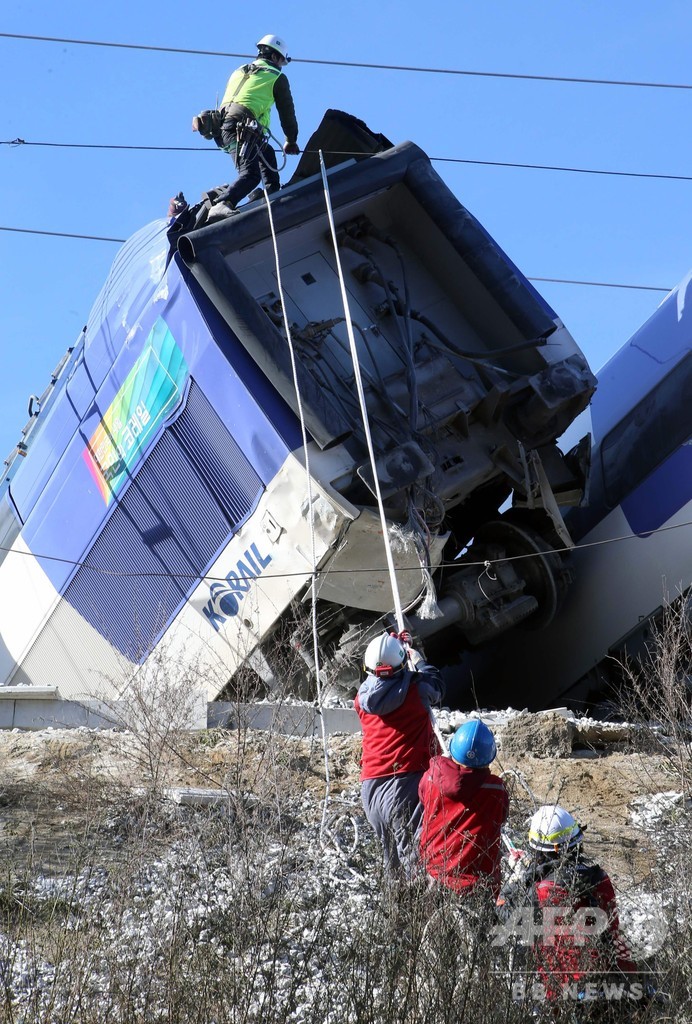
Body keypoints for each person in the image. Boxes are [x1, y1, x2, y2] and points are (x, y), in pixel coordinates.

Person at [502, 804, 639, 1003]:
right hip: (620, 982)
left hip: (569, 994)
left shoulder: (542, 892)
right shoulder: (601, 878)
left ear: (539, 851)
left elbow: (504, 910)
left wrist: (522, 878)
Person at [355, 630, 444, 879]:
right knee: (414, 863)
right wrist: (416, 656)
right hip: (402, 784)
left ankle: (396, 914)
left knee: (392, 864)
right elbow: (436, 685)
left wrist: (396, 648)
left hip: (370, 789)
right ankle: (421, 915)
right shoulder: (417, 693)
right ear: (402, 665)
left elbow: (385, 678)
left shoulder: (361, 700)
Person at [198, 34, 300, 220]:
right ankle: (223, 203)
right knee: (251, 175)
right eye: (281, 61)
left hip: (223, 129)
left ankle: (270, 192)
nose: (280, 65)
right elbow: (287, 114)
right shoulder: (276, 76)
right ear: (276, 57)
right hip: (240, 129)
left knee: (266, 152)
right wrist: (291, 140)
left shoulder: (240, 70)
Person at [418, 719, 509, 898]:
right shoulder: (497, 789)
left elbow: (423, 800)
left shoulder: (431, 777)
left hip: (434, 873)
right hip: (479, 884)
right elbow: (502, 817)